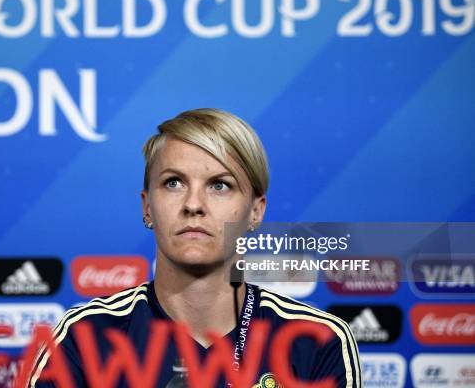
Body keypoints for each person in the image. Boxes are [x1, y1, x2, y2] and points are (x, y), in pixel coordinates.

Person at [28, 108, 361, 387]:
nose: (194, 204)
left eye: (220, 185)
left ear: (256, 211)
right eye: (173, 183)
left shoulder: (317, 340)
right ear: (147, 206)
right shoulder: (85, 336)